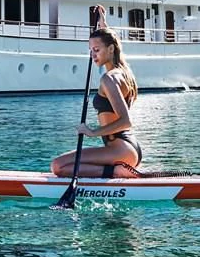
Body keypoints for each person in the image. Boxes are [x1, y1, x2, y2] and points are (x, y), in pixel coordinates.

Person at [49, 25, 144, 179]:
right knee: (63, 165)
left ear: (111, 49)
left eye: (97, 50)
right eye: (91, 50)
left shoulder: (109, 79)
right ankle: (117, 169)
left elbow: (126, 121)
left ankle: (117, 172)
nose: (93, 55)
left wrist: (92, 132)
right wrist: (102, 23)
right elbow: (109, 38)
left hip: (121, 150)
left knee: (58, 166)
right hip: (128, 148)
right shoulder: (124, 73)